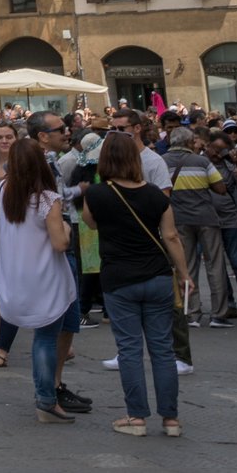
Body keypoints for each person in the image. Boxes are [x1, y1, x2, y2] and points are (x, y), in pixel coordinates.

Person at [82, 129, 186, 436]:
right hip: (157, 275)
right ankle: (171, 419)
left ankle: (136, 417)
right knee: (163, 350)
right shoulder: (156, 194)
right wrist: (184, 273)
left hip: (119, 278)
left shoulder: (98, 194)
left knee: (129, 349)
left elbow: (91, 223)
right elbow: (171, 236)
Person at [0, 136, 79, 423]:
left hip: (15, 275)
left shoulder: (4, 190)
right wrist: (67, 228)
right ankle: (46, 399)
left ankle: (47, 396)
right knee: (45, 338)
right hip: (45, 276)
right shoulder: (46, 198)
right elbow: (59, 243)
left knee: (44, 336)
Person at [164, 129, 232, 328]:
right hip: (206, 218)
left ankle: (192, 313)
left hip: (177, 219)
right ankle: (219, 314)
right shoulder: (202, 162)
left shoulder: (162, 161)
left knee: (186, 265)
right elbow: (221, 188)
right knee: (215, 264)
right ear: (189, 142)